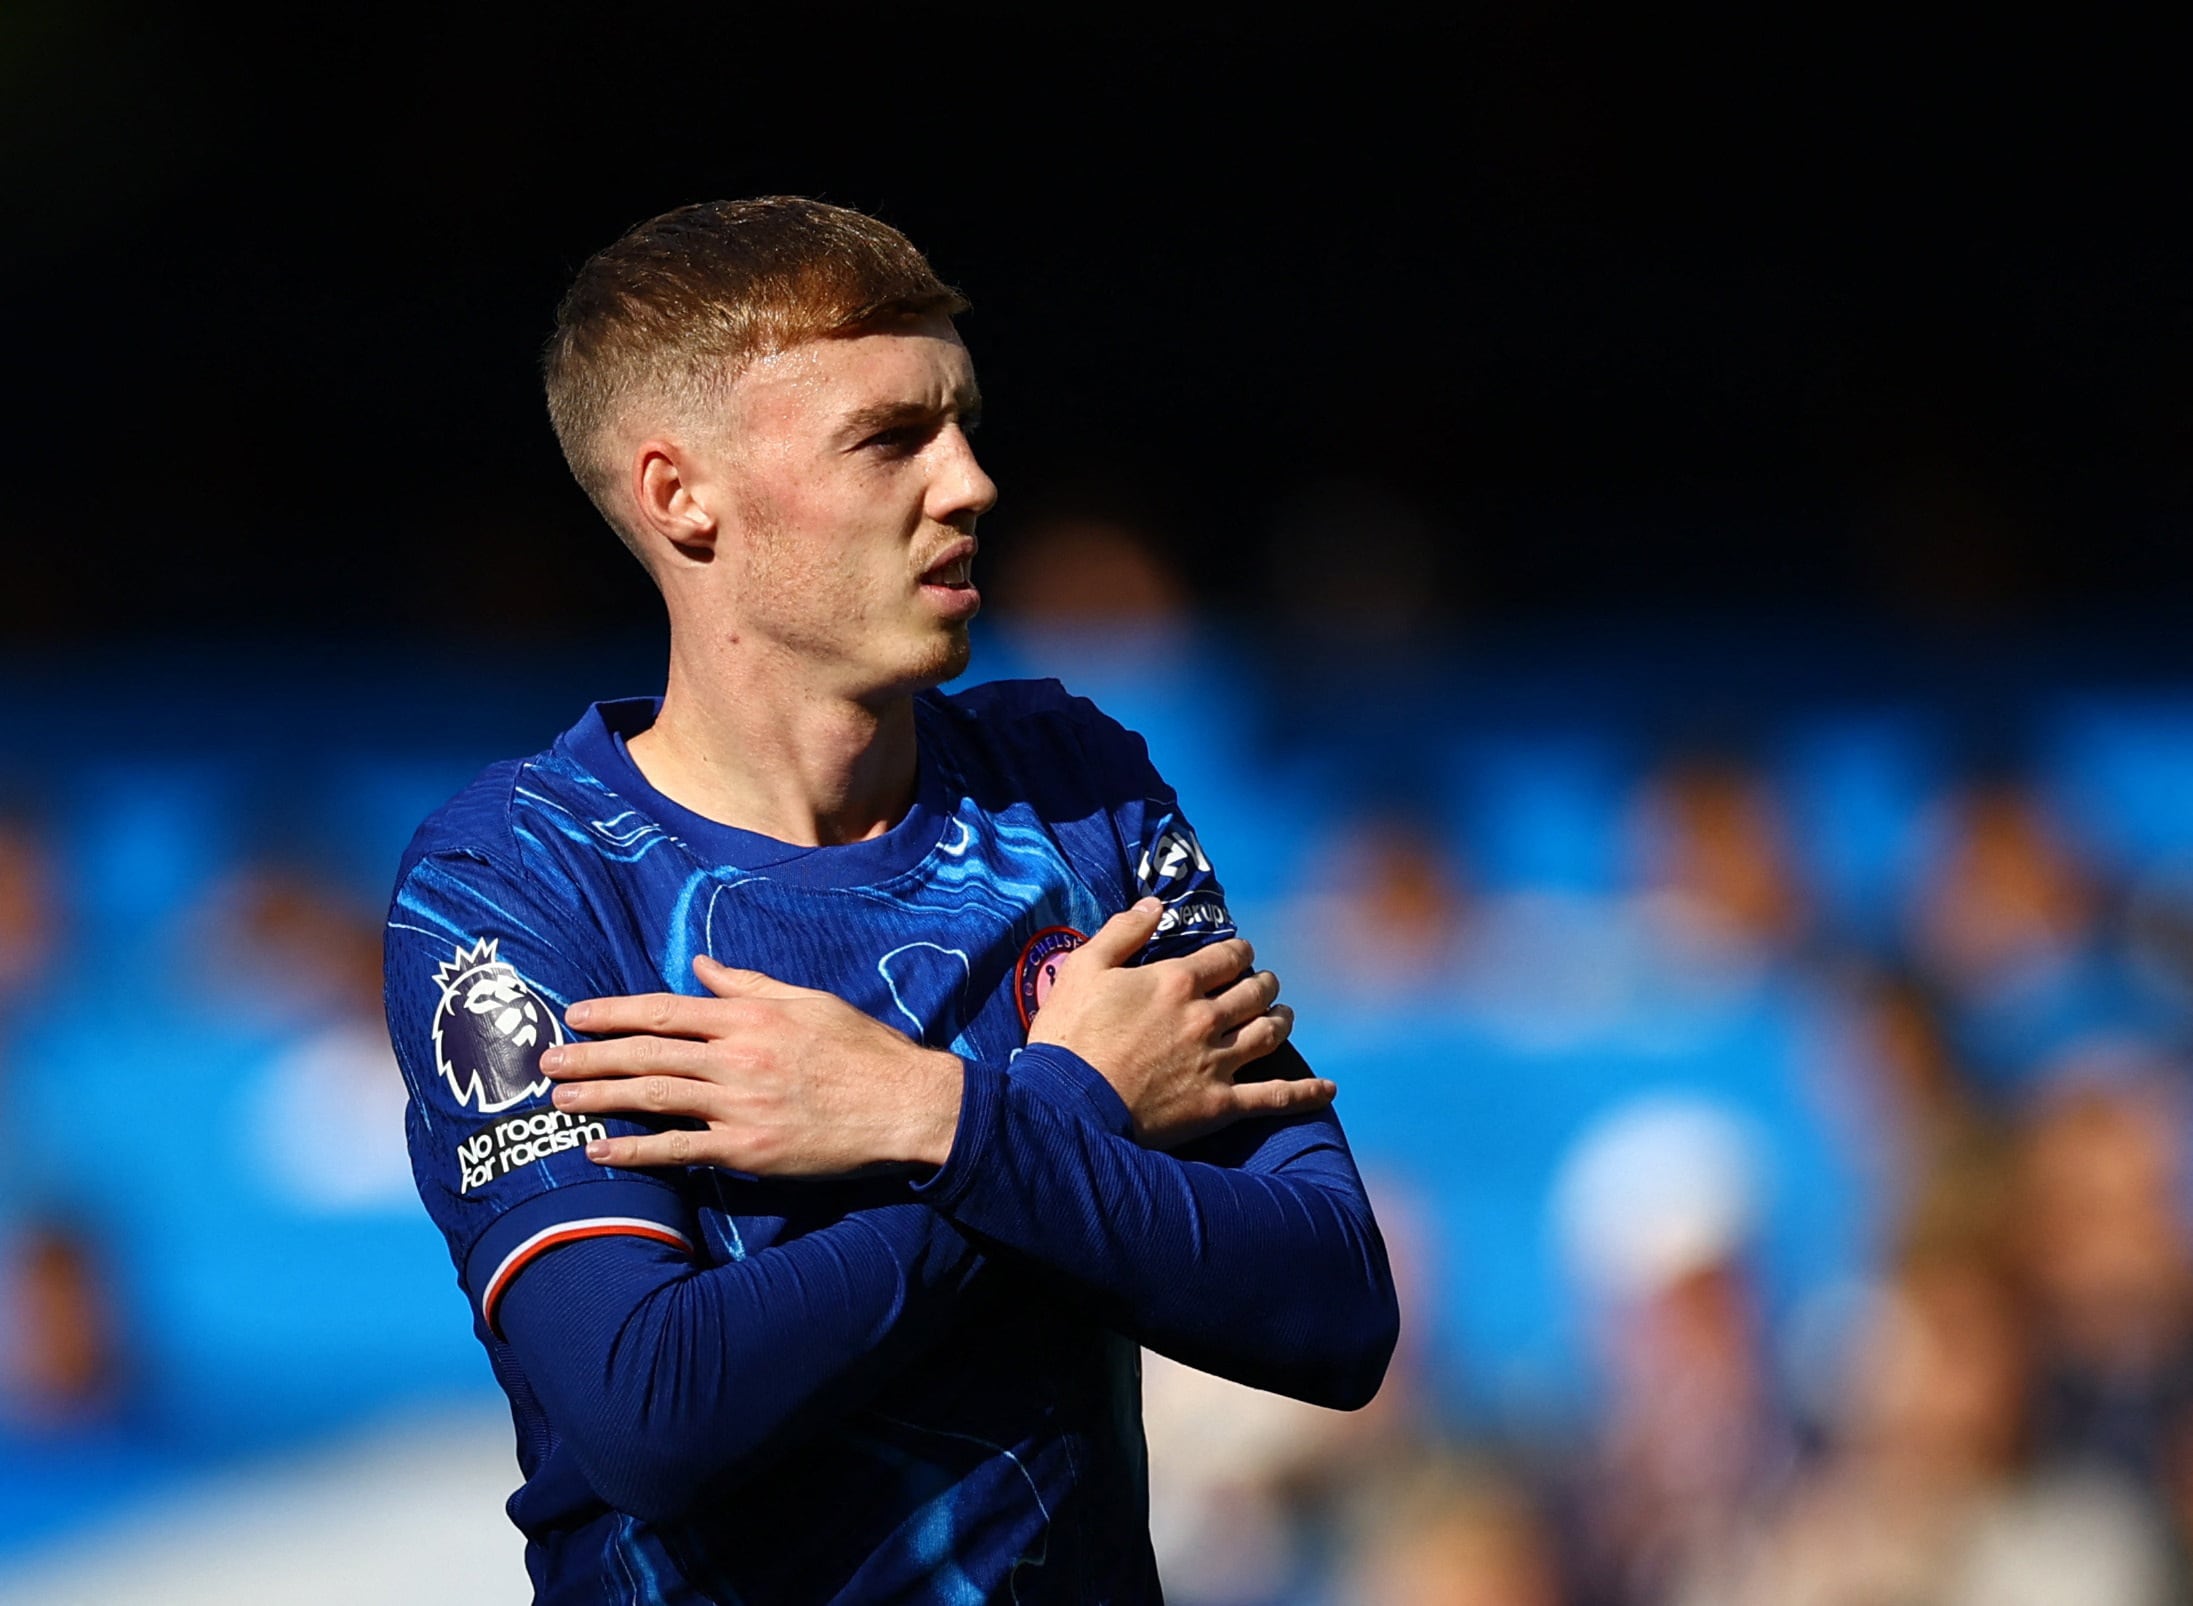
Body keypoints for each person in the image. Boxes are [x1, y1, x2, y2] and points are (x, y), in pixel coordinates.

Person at [381, 197, 1398, 1603]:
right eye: (890, 439)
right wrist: (1055, 1112)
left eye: (964, 423)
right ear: (683, 494)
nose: (971, 481)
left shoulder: (1073, 788)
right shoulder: (522, 882)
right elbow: (650, 1407)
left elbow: (1333, 1302)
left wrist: (925, 1116)